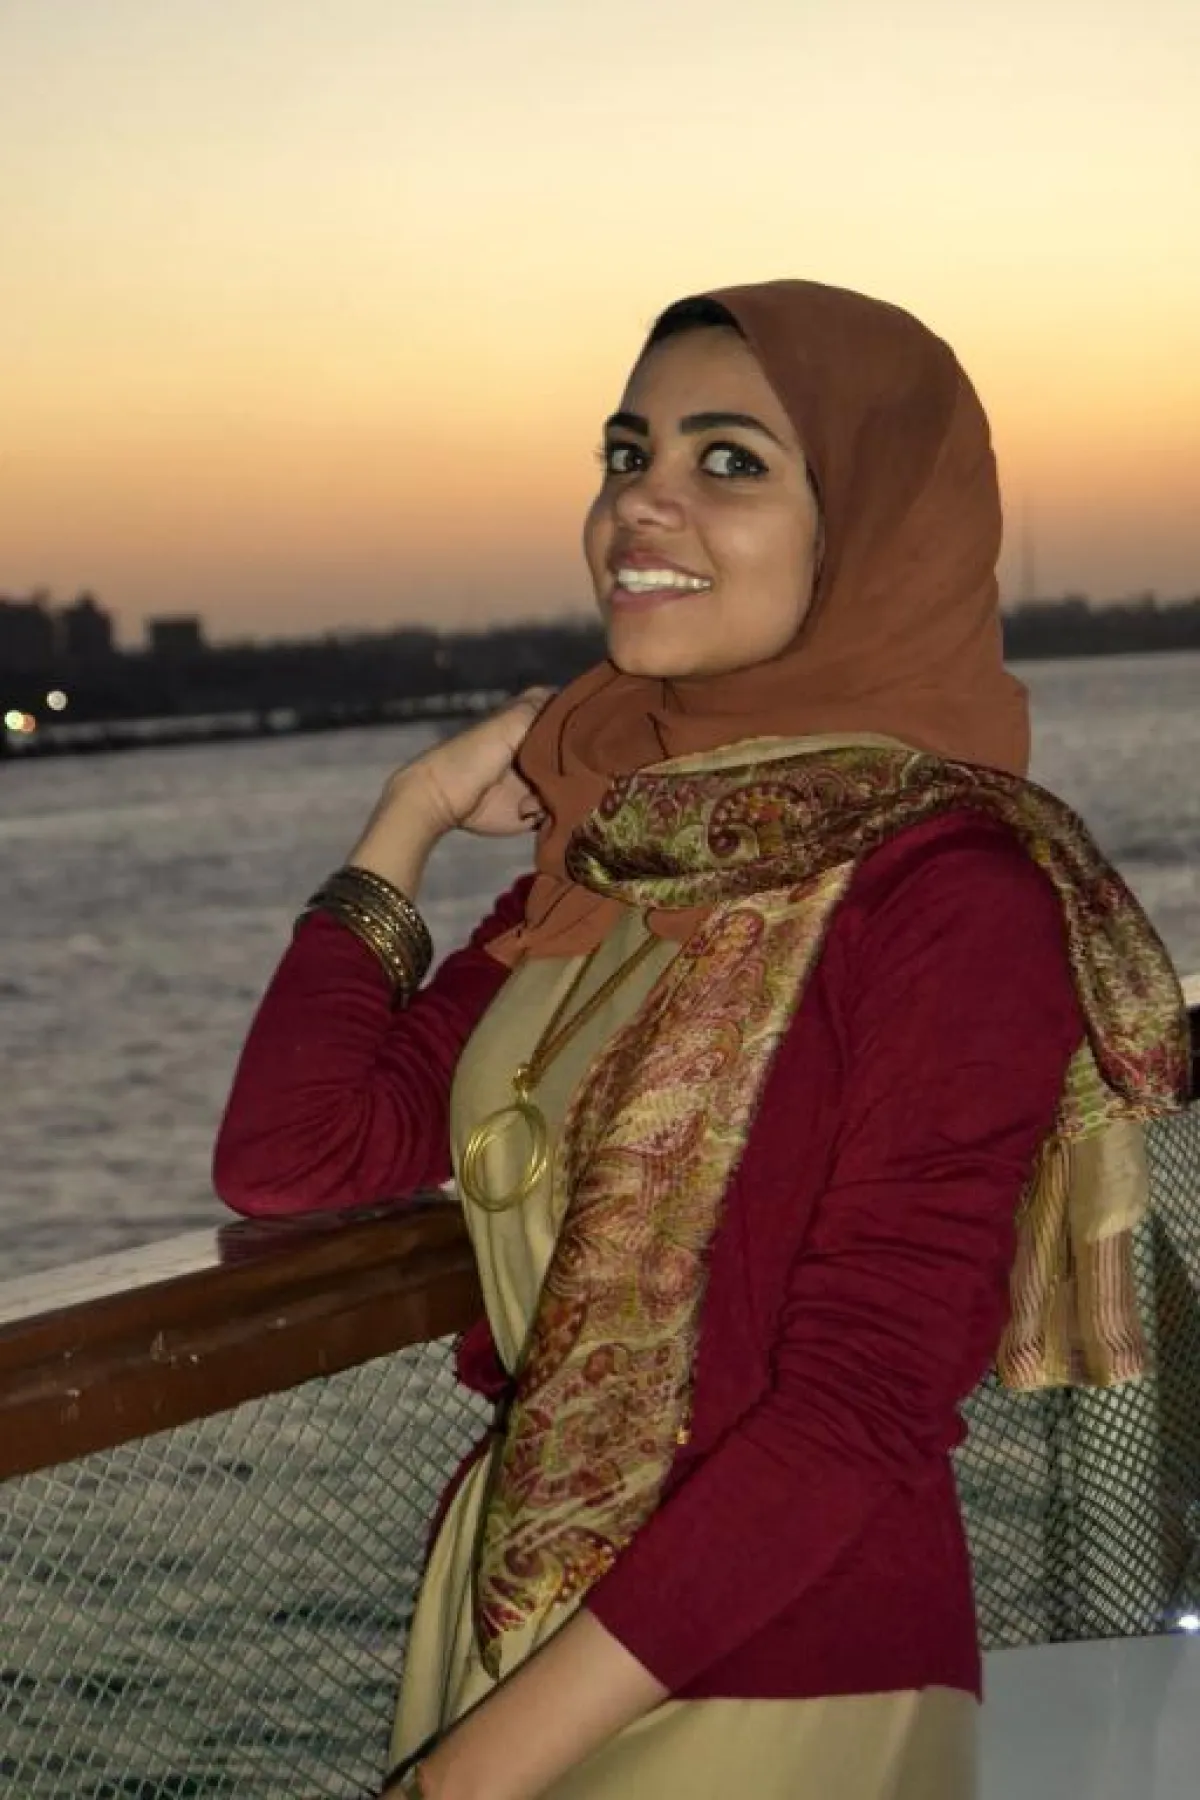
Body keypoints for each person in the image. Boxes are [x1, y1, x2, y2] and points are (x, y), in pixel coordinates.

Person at [214, 280, 1189, 1800]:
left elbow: (860, 1408)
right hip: (514, 1635)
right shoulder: (617, 860)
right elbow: (294, 1154)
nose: (639, 504)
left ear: (869, 526)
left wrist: (468, 1779)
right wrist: (407, 816)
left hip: (781, 1676)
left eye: (729, 461)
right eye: (628, 454)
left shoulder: (951, 898)